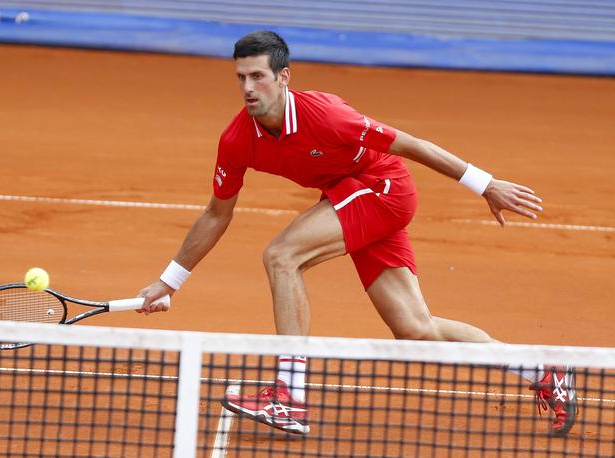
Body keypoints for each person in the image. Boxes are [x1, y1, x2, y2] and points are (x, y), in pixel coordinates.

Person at [138, 30, 576, 436]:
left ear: (283, 77)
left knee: (281, 256)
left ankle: (290, 395)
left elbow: (412, 144)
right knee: (415, 329)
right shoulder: (237, 139)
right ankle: (543, 371)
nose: (249, 88)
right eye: (241, 78)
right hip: (349, 196)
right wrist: (169, 281)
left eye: (258, 76)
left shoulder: (327, 116)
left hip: (383, 189)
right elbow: (217, 213)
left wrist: (486, 184)